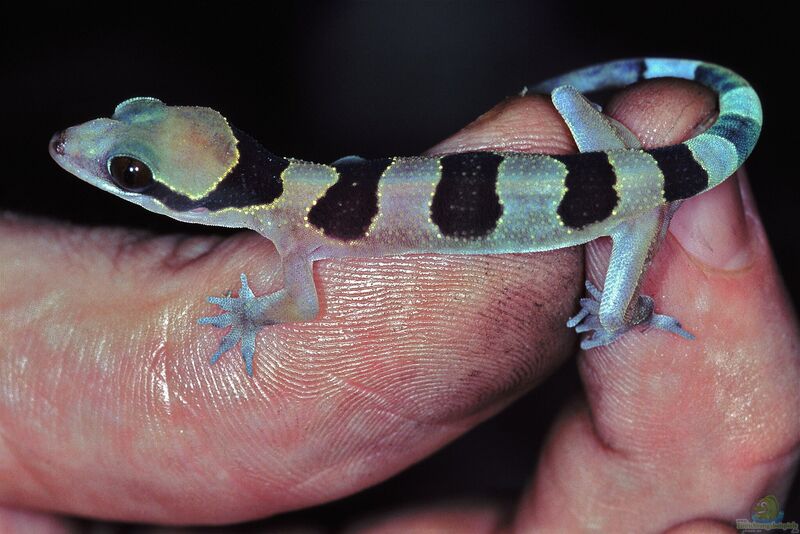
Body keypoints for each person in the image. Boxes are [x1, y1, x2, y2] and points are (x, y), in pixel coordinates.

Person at [1, 77, 797, 531]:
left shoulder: (299, 230)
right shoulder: (318, 188)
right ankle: (642, 108)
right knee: (577, 116)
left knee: (610, 319)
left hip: (631, 208)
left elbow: (302, 309)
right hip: (613, 166)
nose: (85, 150)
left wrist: (250, 314)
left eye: (127, 170)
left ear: (199, 201)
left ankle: (628, 305)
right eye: (129, 164)